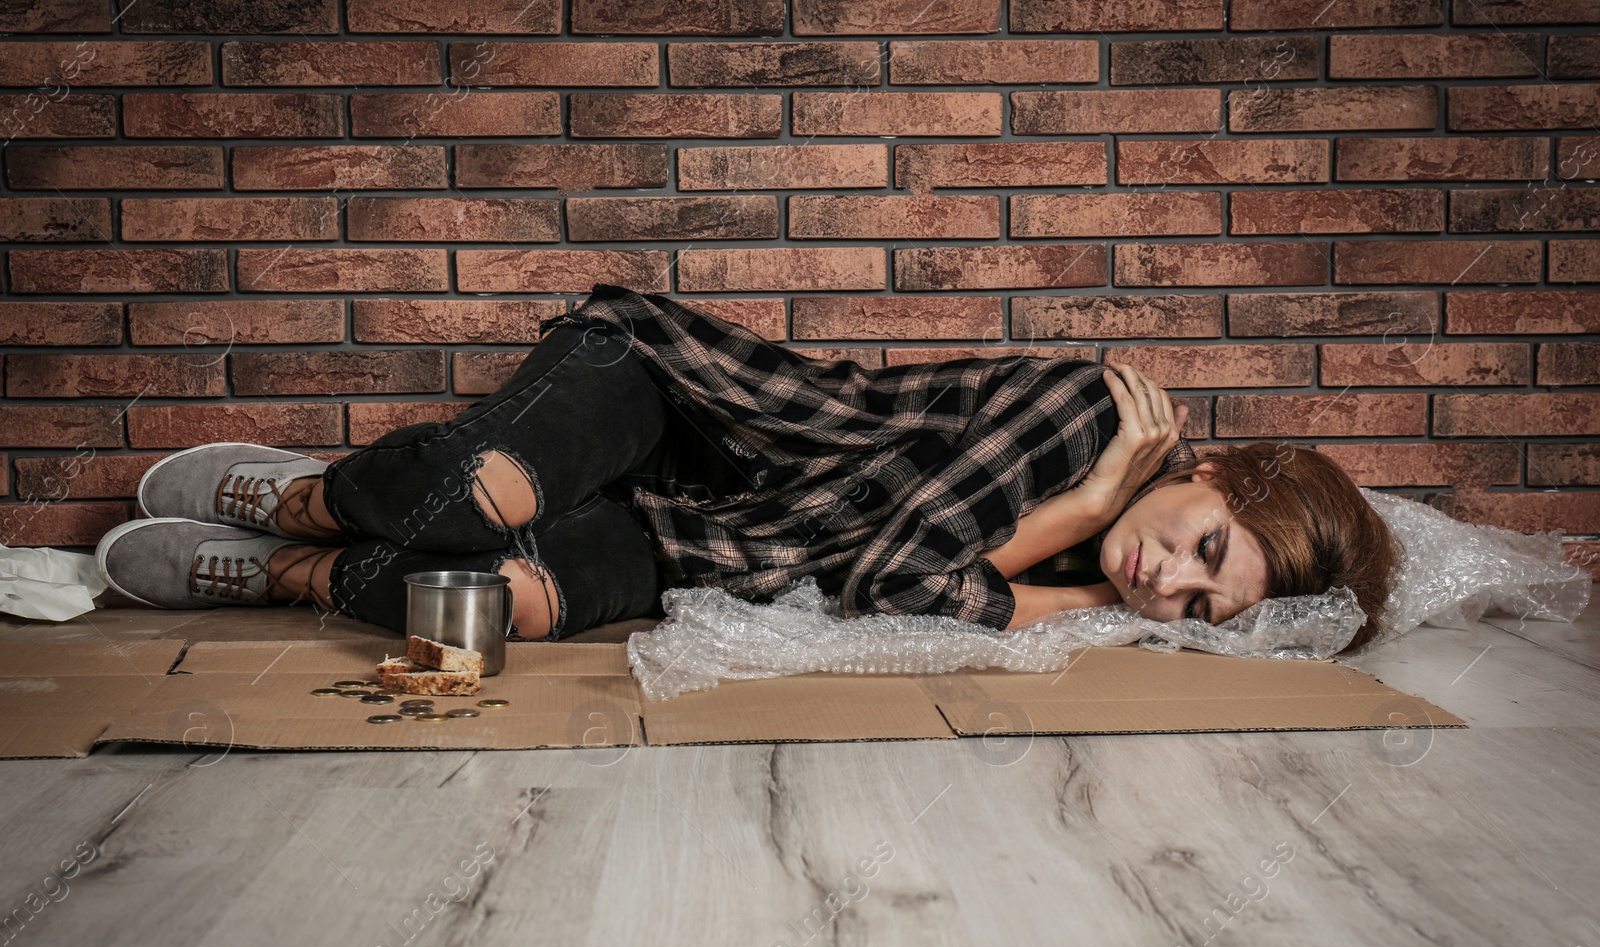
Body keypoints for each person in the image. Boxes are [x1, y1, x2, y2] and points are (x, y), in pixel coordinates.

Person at [96, 284, 1401, 654]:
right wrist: (1075, 514)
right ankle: (297, 495)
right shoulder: (1080, 417)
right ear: (1216, 468)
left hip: (691, 542)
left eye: (1191, 606)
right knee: (476, 498)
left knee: (501, 612)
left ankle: (290, 581)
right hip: (670, 403)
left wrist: (1072, 570)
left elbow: (871, 584)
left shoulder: (1097, 569)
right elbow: (891, 575)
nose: (1157, 576)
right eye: (1202, 547)